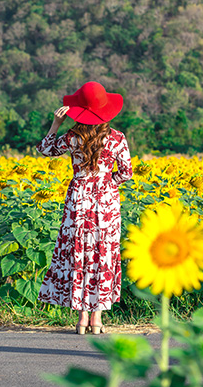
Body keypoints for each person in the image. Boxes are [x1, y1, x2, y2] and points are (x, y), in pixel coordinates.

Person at [36, 81, 133, 334]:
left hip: (78, 198)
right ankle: (98, 319)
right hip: (106, 201)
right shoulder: (117, 138)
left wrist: (55, 124)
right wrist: (106, 183)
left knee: (80, 253)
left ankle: (81, 319)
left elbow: (45, 150)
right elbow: (126, 173)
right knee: (103, 254)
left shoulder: (72, 137)